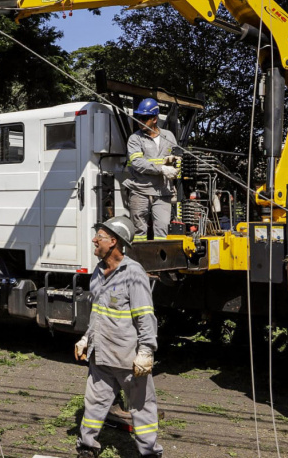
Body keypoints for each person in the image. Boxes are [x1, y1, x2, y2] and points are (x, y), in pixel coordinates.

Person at [74, 216, 162, 458]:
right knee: (93, 405)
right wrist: (86, 339)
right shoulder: (98, 271)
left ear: (113, 241)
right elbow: (98, 313)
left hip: (127, 358)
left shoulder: (133, 273)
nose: (94, 240)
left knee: (141, 408)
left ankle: (149, 453)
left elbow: (145, 316)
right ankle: (86, 448)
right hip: (101, 353)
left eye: (99, 237)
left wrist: (146, 351)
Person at [123, 98, 177, 242]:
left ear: (154, 119)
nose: (140, 121)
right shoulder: (135, 139)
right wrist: (162, 169)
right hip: (140, 190)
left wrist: (176, 166)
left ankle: (161, 262)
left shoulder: (169, 136)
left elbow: (177, 157)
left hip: (163, 192)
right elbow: (137, 163)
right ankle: (141, 261)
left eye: (144, 118)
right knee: (139, 232)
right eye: (139, 117)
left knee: (162, 229)